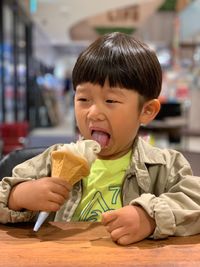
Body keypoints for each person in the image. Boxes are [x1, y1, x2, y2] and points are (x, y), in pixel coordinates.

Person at [1, 32, 200, 246]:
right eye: (84, 99)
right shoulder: (52, 160)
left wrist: (150, 217)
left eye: (111, 100)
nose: (93, 112)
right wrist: (17, 196)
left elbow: (195, 200)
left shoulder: (165, 166)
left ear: (147, 110)